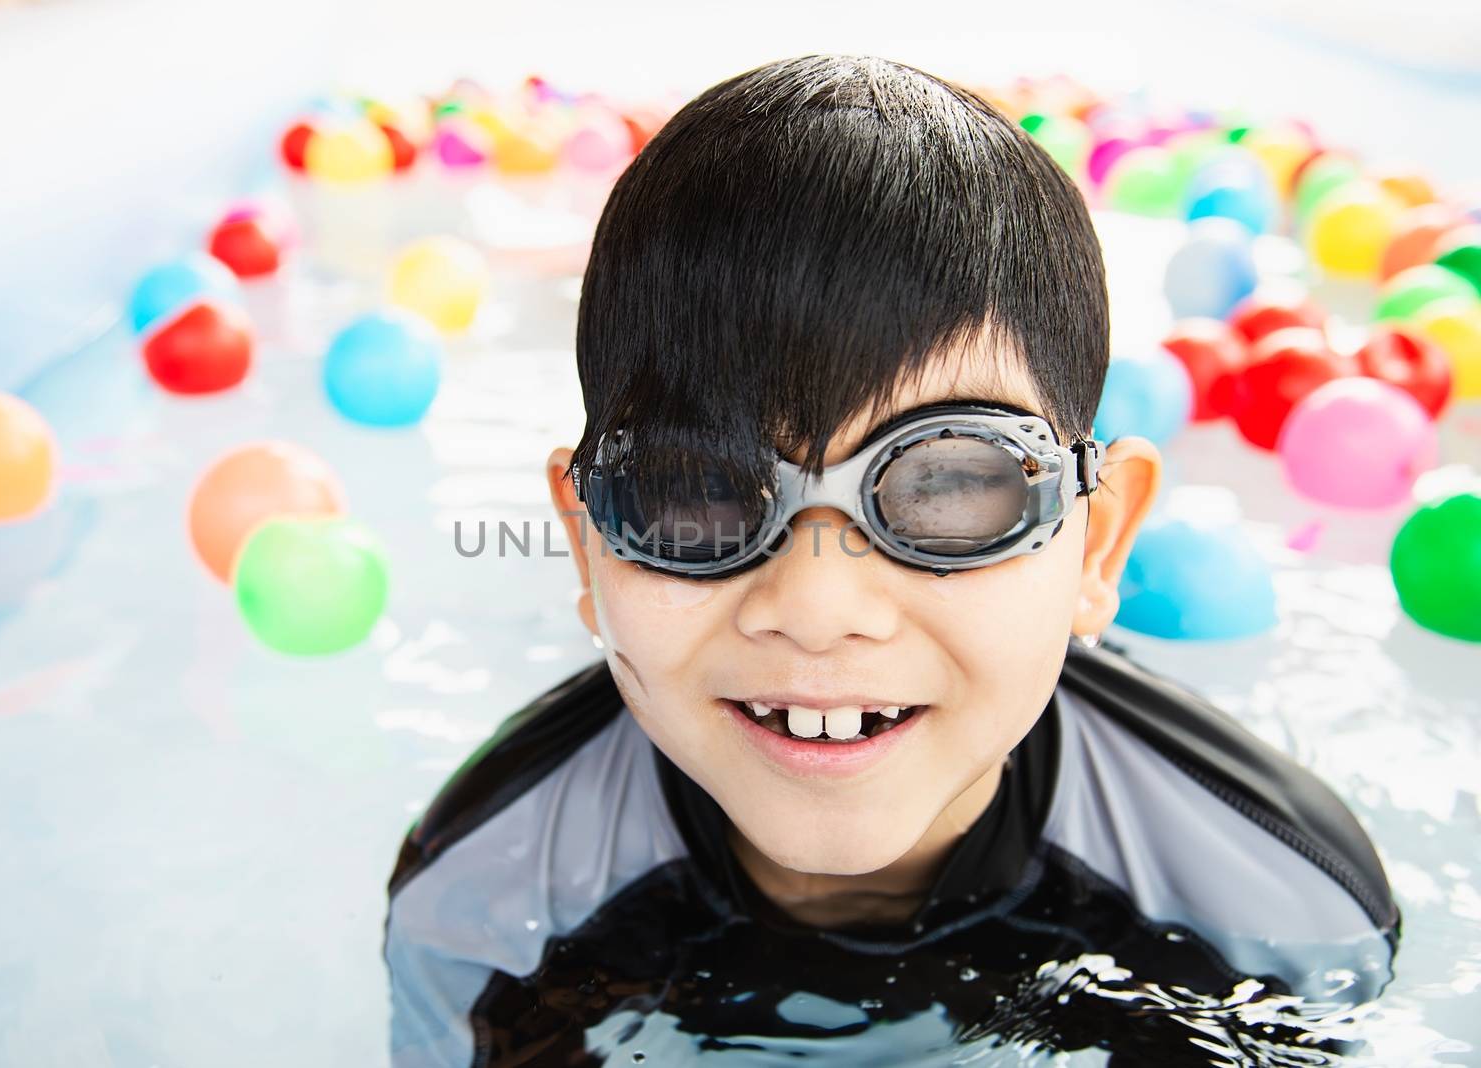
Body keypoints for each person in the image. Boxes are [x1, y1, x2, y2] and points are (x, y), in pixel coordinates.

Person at [384, 54, 1400, 1066]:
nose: (818, 607)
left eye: (950, 489)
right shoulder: (482, 910)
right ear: (587, 542)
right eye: (696, 491)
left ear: (1097, 543)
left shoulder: (1277, 912)